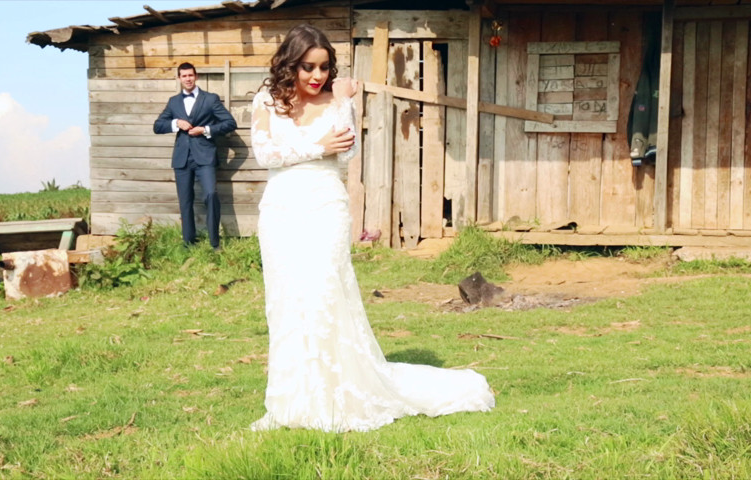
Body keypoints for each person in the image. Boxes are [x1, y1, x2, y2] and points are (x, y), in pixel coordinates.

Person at [249, 24, 495, 433]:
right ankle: (291, 403)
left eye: (324, 67)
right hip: (280, 210)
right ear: (290, 64)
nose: (317, 76)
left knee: (324, 296)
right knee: (287, 303)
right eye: (308, 67)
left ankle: (335, 397)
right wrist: (317, 147)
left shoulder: (335, 99)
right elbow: (264, 153)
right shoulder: (267, 100)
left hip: (325, 206)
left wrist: (345, 104)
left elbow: (345, 156)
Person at [154, 62, 237, 250]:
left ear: (196, 76)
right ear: (179, 78)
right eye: (184, 76)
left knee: (210, 194)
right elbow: (157, 126)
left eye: (190, 75)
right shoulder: (173, 102)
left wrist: (206, 129)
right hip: (182, 158)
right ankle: (188, 242)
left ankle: (215, 243)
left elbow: (230, 123)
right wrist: (176, 123)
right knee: (185, 201)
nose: (188, 79)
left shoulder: (210, 99)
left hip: (205, 156)